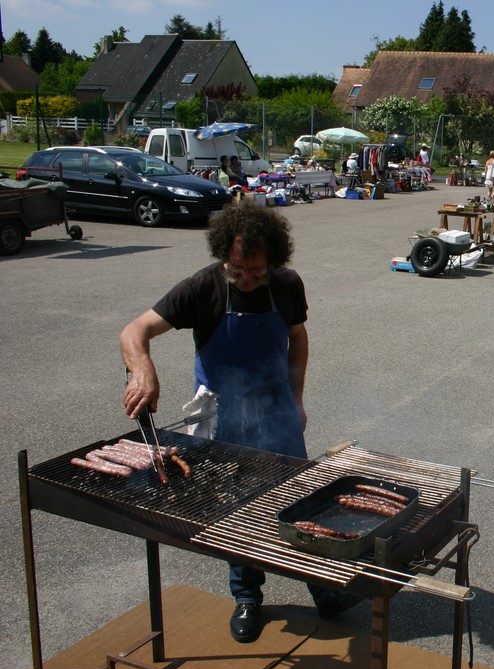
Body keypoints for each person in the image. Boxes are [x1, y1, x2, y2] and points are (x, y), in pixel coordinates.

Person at [119, 202, 347, 644]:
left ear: (273, 260)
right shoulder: (202, 287)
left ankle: (322, 587)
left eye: (256, 271)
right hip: (222, 415)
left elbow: (297, 337)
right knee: (237, 508)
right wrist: (142, 370)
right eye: (237, 269)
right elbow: (134, 331)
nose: (245, 279)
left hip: (276, 408)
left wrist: (297, 398)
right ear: (224, 253)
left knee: (299, 501)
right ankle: (247, 597)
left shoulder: (286, 284)